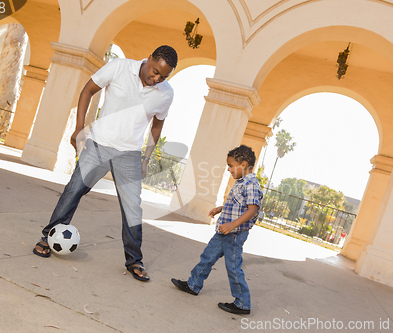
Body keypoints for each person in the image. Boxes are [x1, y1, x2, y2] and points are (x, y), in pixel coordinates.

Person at [33, 45, 178, 282]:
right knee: (73, 191)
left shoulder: (166, 93)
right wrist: (79, 128)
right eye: (154, 72)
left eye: (163, 76)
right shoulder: (119, 67)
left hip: (129, 154)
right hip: (98, 144)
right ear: (149, 57)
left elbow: (157, 125)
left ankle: (134, 260)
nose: (156, 79)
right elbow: (87, 91)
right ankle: (47, 237)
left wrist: (146, 158)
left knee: (132, 209)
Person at [171, 145, 263, 315]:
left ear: (243, 164)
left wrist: (232, 225)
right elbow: (238, 204)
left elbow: (252, 209)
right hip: (223, 232)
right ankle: (193, 285)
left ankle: (243, 303)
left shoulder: (251, 184)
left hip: (234, 235)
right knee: (207, 258)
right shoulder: (242, 182)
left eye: (230, 165)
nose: (228, 169)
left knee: (233, 268)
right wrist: (221, 208)